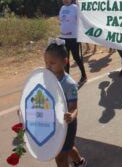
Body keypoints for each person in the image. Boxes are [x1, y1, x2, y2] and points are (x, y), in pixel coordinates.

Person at [45, 39, 87, 167]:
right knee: (67, 148)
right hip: (54, 122)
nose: (48, 66)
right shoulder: (46, 78)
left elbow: (75, 109)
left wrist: (71, 116)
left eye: (52, 63)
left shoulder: (69, 84)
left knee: (60, 157)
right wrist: (26, 109)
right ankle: (80, 162)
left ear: (64, 62)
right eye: (46, 62)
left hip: (67, 125)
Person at [59, 0, 87, 86]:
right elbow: (62, 21)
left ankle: (84, 75)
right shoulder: (62, 8)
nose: (65, 0)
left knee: (76, 57)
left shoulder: (75, 8)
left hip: (74, 37)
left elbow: (83, 19)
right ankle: (67, 78)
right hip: (63, 38)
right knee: (65, 59)